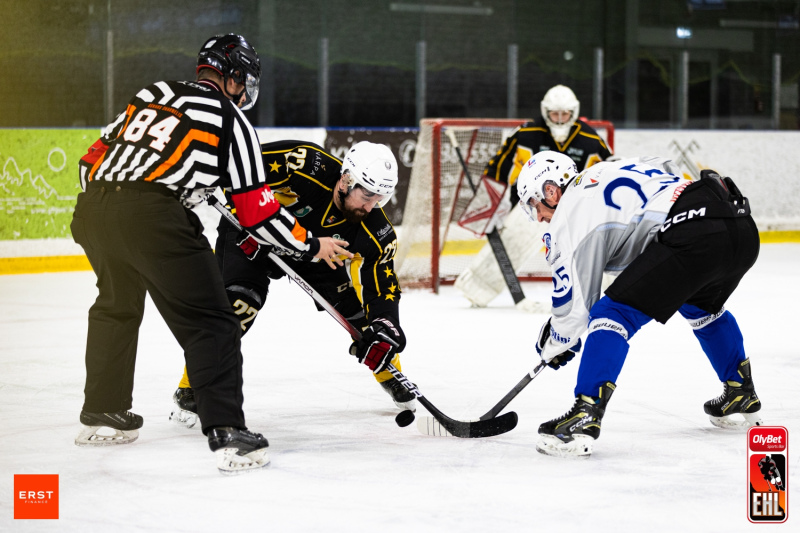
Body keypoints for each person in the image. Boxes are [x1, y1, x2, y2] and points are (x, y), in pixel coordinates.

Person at [71, 34, 349, 474]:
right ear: (234, 77)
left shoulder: (153, 93)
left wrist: (123, 205)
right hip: (151, 216)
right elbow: (257, 211)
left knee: (116, 307)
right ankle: (228, 434)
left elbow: (90, 161)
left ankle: (104, 413)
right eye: (245, 80)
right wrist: (311, 245)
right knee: (214, 322)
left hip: (94, 209)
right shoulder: (231, 119)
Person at [515, 151, 761, 457]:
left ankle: (584, 415)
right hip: (739, 224)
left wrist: (553, 343)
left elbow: (574, 311)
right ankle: (740, 390)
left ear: (550, 191)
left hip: (693, 233)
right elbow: (665, 165)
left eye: (534, 206)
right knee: (700, 305)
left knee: (611, 314)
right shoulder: (609, 167)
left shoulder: (568, 216)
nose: (538, 217)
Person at [170, 139, 413, 429]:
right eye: (368, 195)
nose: (371, 206)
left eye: (380, 199)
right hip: (253, 236)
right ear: (347, 179)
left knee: (363, 321)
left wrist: (385, 323)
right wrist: (220, 194)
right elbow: (241, 172)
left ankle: (390, 374)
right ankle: (191, 384)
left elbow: (380, 282)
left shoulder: (375, 229)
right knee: (239, 306)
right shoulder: (304, 164)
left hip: (319, 253)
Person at [455, 85, 613, 310]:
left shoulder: (590, 138)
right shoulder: (526, 133)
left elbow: (609, 168)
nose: (559, 120)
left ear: (574, 112)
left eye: (564, 114)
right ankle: (477, 288)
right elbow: (498, 166)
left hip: (575, 207)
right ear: (545, 112)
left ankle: (605, 293)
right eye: (554, 114)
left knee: (593, 244)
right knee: (517, 236)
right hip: (531, 205)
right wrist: (490, 204)